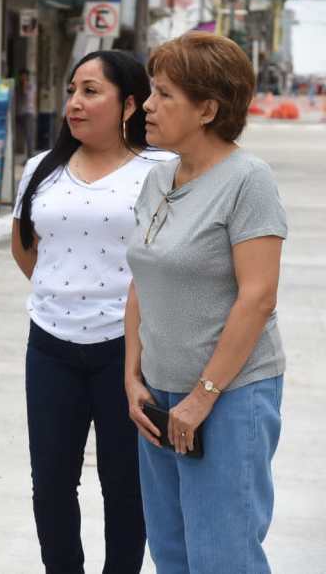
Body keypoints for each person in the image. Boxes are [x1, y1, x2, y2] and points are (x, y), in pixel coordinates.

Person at [125, 32, 287, 571]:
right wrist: (132, 377)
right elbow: (141, 279)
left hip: (229, 395)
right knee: (171, 553)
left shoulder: (248, 180)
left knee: (223, 556)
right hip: (159, 396)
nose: (147, 105)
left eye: (164, 94)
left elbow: (258, 297)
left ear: (207, 110)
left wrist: (201, 398)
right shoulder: (157, 177)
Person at [12, 50, 174, 574]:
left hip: (129, 352)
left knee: (125, 483)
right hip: (50, 345)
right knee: (51, 482)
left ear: (128, 104)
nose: (75, 104)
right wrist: (66, 293)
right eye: (72, 92)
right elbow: (25, 247)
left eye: (90, 91)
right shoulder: (41, 168)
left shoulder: (162, 171)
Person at [16, 68, 38, 159]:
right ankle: (25, 155)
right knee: (22, 136)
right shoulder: (18, 87)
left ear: (27, 77)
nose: (22, 78)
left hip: (28, 113)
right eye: (21, 76)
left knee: (29, 136)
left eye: (24, 76)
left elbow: (26, 95)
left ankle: (30, 157)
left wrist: (24, 84)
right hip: (19, 113)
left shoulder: (30, 86)